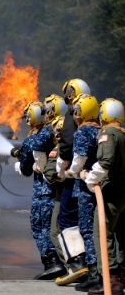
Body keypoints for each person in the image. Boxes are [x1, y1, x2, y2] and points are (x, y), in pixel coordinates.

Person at [14, 101, 65, 280]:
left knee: (40, 227)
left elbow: (26, 169)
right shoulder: (57, 130)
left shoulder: (33, 139)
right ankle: (62, 261)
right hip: (60, 190)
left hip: (43, 193)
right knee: (56, 227)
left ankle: (52, 263)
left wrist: (19, 163)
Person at [82, 98, 125, 295]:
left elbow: (105, 161)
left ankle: (111, 280)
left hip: (110, 194)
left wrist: (90, 178)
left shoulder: (109, 134)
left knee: (103, 235)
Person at [54, 78, 91, 284]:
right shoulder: (94, 113)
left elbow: (67, 144)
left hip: (74, 178)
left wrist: (62, 167)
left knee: (67, 220)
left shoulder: (72, 114)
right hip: (93, 178)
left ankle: (78, 262)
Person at [63, 94, 100, 292]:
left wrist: (71, 171)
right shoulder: (101, 131)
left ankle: (95, 274)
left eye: (77, 111)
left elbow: (79, 160)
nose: (75, 116)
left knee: (87, 230)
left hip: (86, 188)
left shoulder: (82, 133)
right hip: (101, 186)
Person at [32, 94, 68, 266]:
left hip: (50, 188)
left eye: (46, 110)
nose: (44, 113)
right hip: (63, 188)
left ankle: (59, 264)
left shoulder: (50, 128)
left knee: (49, 229)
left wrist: (39, 166)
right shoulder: (70, 126)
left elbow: (37, 146)